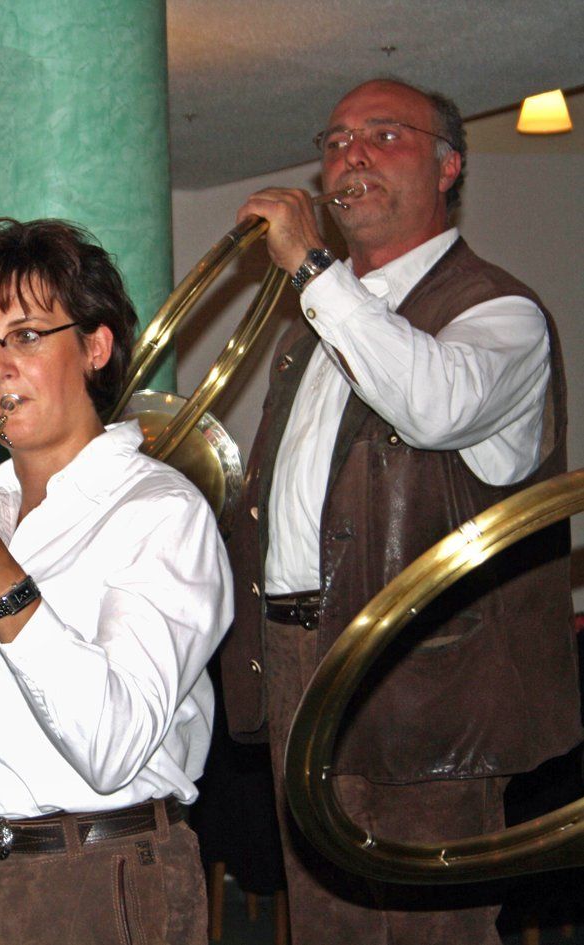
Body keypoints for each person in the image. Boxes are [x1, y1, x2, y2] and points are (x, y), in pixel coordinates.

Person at [220, 79, 579, 945]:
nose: (350, 154)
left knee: (431, 929)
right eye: (336, 140)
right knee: (327, 923)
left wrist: (313, 271)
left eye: (385, 135)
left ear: (448, 167)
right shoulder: (318, 323)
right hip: (298, 654)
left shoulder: (499, 310)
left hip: (422, 675)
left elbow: (432, 405)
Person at [0, 218, 233, 944]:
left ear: (95, 347)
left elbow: (113, 743)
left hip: (93, 880)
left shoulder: (160, 511)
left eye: (26, 335)